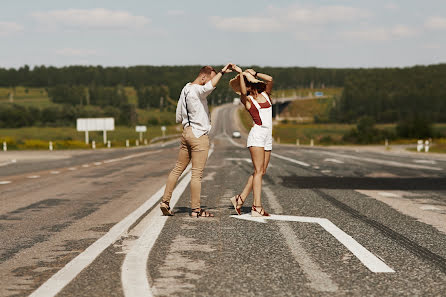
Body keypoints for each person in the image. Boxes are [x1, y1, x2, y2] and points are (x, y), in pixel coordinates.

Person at [160, 63, 233, 217]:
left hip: (186, 132)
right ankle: (196, 210)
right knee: (197, 174)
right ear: (203, 77)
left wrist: (187, 125)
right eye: (209, 80)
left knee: (177, 168)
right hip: (199, 135)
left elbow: (179, 115)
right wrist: (222, 72)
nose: (210, 84)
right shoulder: (197, 90)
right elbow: (207, 88)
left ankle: (165, 201)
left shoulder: (185, 89)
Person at [229, 66, 273, 217]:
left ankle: (239, 199)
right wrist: (241, 74)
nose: (248, 86)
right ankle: (257, 207)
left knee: (260, 171)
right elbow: (242, 91)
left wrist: (255, 73)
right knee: (259, 171)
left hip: (268, 136)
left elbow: (270, 79)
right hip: (257, 135)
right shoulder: (247, 100)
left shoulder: (266, 94)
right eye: (246, 83)